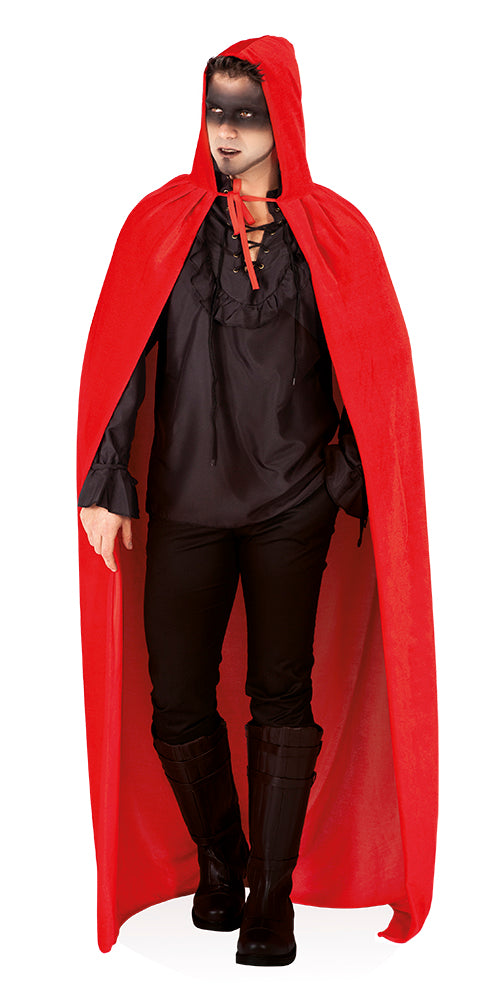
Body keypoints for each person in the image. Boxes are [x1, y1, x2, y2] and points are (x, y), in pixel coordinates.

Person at [77, 36, 438, 966]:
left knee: (282, 693)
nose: (228, 132)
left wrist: (340, 480)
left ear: (286, 119)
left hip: (290, 509)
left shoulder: (332, 233)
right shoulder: (163, 224)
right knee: (175, 699)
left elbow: (379, 373)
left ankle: (270, 897)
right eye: (217, 111)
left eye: (248, 113)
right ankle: (224, 860)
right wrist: (108, 479)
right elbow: (123, 353)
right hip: (186, 501)